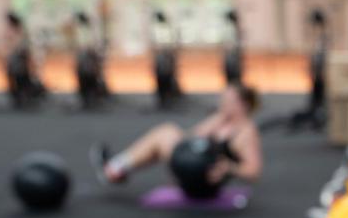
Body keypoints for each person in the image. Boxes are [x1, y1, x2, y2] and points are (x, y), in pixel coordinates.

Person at [91, 83, 263, 196]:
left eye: (228, 101)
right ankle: (117, 169)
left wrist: (229, 167)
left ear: (243, 105)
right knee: (165, 137)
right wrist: (216, 121)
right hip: (192, 171)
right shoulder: (220, 119)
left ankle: (115, 167)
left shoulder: (246, 132)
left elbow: (253, 172)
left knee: (166, 133)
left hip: (207, 183)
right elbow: (192, 139)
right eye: (223, 100)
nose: (223, 104)